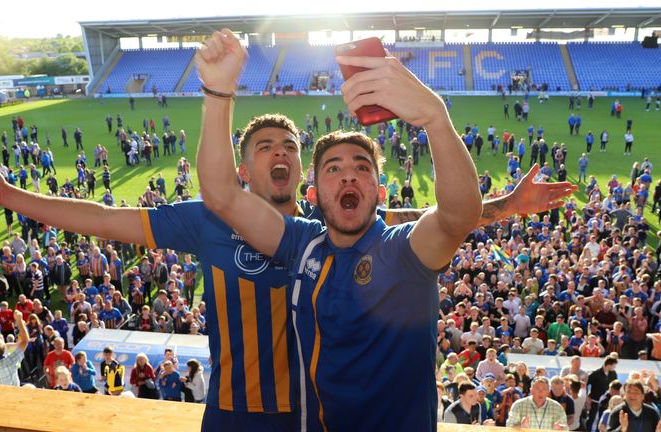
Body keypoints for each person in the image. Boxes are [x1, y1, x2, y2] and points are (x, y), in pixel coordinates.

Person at [0, 31, 573, 432]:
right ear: (243, 164)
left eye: (290, 143)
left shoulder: (325, 231)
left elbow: (423, 224)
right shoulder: (218, 220)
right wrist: (9, 194)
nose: (280, 153)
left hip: (307, 418)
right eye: (266, 145)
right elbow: (102, 218)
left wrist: (503, 206)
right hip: (234, 415)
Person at [195, 29, 477, 432]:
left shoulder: (404, 251)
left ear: (380, 192)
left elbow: (458, 216)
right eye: (333, 169)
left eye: (362, 167)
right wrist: (218, 92)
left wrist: (434, 116)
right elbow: (221, 195)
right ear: (313, 193)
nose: (348, 177)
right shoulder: (301, 244)